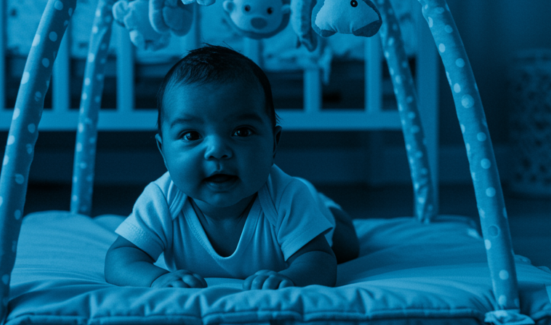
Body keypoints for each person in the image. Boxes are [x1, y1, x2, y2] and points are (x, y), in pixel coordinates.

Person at [104, 45, 359, 290]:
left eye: (241, 131)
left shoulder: (287, 197)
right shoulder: (161, 200)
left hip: (308, 205)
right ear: (164, 152)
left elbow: (319, 261)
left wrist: (291, 278)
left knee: (346, 248)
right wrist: (156, 279)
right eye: (191, 135)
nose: (217, 150)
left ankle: (329, 210)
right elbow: (121, 258)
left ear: (273, 144)